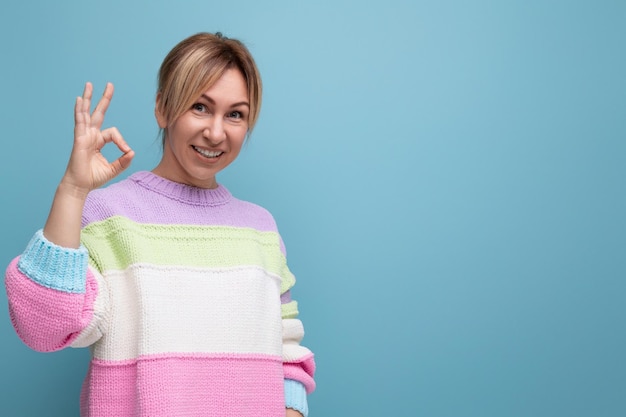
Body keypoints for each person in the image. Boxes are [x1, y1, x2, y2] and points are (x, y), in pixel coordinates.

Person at [4, 32, 315, 417]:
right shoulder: (106, 216)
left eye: (235, 114)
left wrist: (292, 411)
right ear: (163, 109)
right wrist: (72, 190)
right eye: (200, 107)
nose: (216, 133)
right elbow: (43, 328)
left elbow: (287, 347)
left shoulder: (261, 228)